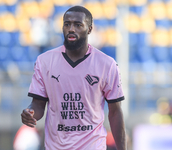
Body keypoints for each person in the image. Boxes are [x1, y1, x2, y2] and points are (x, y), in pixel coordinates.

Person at [21, 6, 127, 150]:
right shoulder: (44, 61)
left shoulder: (107, 64)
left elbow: (115, 112)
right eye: (67, 24)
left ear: (89, 29)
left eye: (78, 25)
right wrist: (30, 113)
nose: (71, 29)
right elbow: (38, 105)